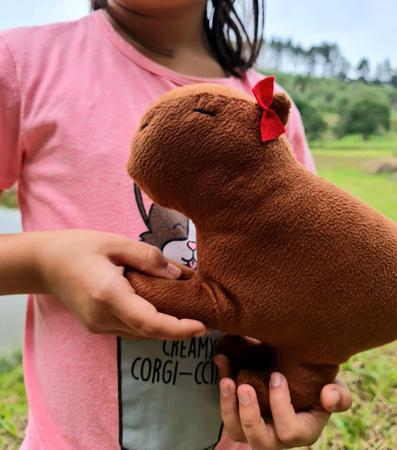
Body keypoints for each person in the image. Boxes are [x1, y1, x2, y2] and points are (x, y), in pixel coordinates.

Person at [0, 1, 352, 449]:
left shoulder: (270, 111)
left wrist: (297, 385)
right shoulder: (24, 65)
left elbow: (303, 286)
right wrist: (44, 263)